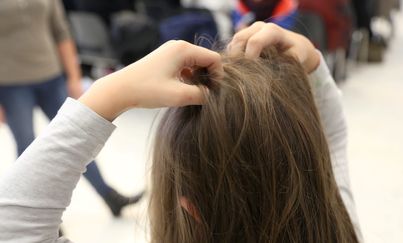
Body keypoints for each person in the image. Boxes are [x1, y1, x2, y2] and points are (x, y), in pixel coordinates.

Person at [0, 22, 361, 242]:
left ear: (190, 209)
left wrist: (109, 93)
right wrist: (312, 60)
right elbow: (336, 137)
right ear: (318, 170)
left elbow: (11, 227)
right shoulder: (343, 229)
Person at [0, 0, 141, 217]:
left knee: (74, 137)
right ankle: (34, 216)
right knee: (27, 149)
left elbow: (61, 31)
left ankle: (108, 196)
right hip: (11, 84)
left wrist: (74, 76)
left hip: (51, 76)